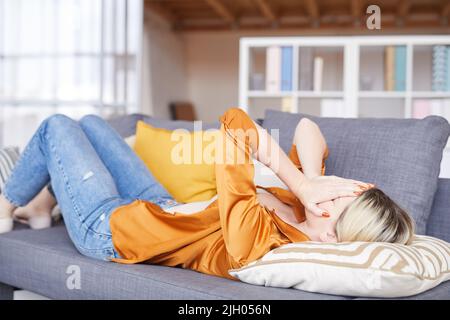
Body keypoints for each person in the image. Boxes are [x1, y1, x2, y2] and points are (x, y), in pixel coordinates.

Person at [0, 108, 414, 280]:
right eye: (345, 195)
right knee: (91, 123)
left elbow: (235, 122)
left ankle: (5, 208)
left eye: (337, 210)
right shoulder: (303, 205)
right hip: (160, 205)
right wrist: (308, 179)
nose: (331, 197)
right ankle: (44, 205)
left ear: (330, 239)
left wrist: (303, 185)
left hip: (108, 229)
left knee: (57, 125)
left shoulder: (260, 242)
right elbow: (308, 127)